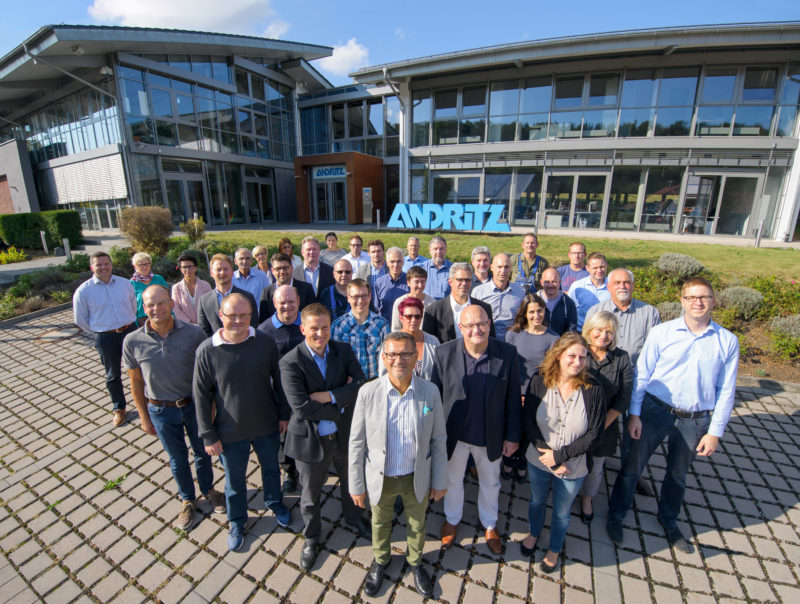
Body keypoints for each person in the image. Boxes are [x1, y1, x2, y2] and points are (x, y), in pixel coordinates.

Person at [607, 278, 739, 554]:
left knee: (677, 475)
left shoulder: (727, 341)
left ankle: (668, 520)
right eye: (691, 298)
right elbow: (642, 375)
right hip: (655, 410)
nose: (697, 303)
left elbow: (726, 390)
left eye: (703, 297)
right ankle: (616, 514)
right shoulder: (663, 333)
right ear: (682, 301)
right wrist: (634, 414)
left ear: (713, 300)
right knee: (632, 467)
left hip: (695, 418)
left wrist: (715, 432)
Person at [349, 332, 447, 598]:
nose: (398, 360)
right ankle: (381, 560)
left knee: (417, 523)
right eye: (392, 354)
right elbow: (356, 443)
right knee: (380, 523)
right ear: (383, 357)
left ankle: (415, 561)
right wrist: (356, 485)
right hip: (382, 477)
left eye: (405, 354)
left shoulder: (430, 392)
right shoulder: (368, 393)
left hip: (417, 475)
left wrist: (440, 481)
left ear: (416, 357)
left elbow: (438, 439)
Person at [193, 294, 292, 551]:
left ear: (252, 315)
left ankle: (274, 501)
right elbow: (201, 395)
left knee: (271, 469)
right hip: (229, 429)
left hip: (266, 423)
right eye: (232, 315)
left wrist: (284, 414)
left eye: (244, 315)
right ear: (220, 316)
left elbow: (278, 380)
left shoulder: (265, 342)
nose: (238, 320)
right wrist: (208, 435)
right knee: (234, 480)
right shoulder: (207, 349)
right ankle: (237, 519)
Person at [123, 285, 225, 530]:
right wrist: (144, 417)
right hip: (161, 410)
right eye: (150, 305)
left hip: (193, 406)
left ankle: (208, 490)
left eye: (161, 303)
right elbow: (135, 381)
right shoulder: (132, 341)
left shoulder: (194, 334)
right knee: (177, 459)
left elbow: (208, 374)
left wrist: (210, 407)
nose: (156, 309)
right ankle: (187, 499)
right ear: (144, 308)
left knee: (202, 452)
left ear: (171, 303)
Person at [280, 304, 368, 571]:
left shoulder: (344, 350)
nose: (320, 333)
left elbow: (361, 383)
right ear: (303, 329)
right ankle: (312, 535)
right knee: (310, 493)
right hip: (310, 439)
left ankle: (353, 517)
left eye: (325, 327)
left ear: (331, 326)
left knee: (350, 479)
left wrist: (327, 396)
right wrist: (342, 395)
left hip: (343, 433)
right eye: (314, 328)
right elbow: (301, 407)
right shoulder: (290, 362)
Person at [431, 305, 521, 555]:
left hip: (490, 434)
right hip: (454, 435)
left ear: (489, 324)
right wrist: (430, 431)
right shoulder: (443, 353)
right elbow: (432, 396)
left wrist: (512, 436)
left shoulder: (508, 354)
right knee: (452, 480)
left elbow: (514, 399)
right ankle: (452, 519)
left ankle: (490, 524)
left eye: (481, 324)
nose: (476, 330)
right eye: (469, 325)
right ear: (461, 328)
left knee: (491, 482)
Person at [519, 332, 605, 572]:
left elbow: (595, 434)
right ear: (558, 356)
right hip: (539, 458)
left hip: (573, 465)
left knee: (562, 512)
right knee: (536, 501)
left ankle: (554, 548)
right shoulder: (540, 379)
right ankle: (534, 533)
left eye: (583, 357)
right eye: (572, 356)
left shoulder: (593, 388)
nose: (577, 362)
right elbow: (528, 421)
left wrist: (559, 457)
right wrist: (547, 454)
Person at [578, 311, 633, 524]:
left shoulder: (621, 358)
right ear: (589, 331)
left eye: (609, 332)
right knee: (574, 459)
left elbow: (624, 396)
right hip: (577, 422)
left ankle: (587, 498)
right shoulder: (579, 353)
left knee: (596, 466)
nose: (603, 336)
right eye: (598, 330)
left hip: (606, 424)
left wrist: (602, 425)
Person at [73, 251, 137, 426]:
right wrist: (99, 332)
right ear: (91, 267)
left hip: (130, 332)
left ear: (111, 264)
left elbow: (133, 306)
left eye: (106, 263)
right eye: (99, 265)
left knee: (140, 368)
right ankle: (119, 408)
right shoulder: (84, 291)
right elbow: (80, 320)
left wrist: (126, 323)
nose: (103, 267)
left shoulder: (124, 284)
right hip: (106, 337)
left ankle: (147, 400)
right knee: (112, 375)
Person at [503, 294, 560, 482]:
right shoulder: (513, 334)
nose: (537, 315)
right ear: (524, 314)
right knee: (513, 429)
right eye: (532, 312)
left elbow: (552, 371)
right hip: (514, 392)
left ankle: (522, 463)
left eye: (540, 310)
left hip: (538, 394)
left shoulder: (552, 338)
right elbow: (507, 365)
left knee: (530, 431)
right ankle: (509, 460)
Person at [257, 284, 306, 495]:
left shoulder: (309, 322)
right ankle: (289, 471)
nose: (287, 306)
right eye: (282, 302)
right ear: (274, 304)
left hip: (308, 390)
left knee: (307, 432)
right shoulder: (264, 331)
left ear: (299, 302)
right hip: (280, 393)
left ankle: (307, 467)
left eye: (291, 301)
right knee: (283, 436)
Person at [585, 268, 660, 366]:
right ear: (608, 286)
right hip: (603, 373)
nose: (622, 286)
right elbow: (587, 343)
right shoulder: (595, 311)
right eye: (617, 283)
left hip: (637, 374)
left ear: (633, 286)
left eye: (627, 282)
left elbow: (656, 346)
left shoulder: (650, 313)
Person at [331, 279, 390, 381]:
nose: (360, 300)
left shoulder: (382, 324)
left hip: (375, 382)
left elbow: (388, 356)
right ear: (348, 298)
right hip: (349, 384)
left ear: (370, 296)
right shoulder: (338, 326)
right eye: (356, 297)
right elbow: (335, 358)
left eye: (364, 296)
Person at [422, 263, 495, 343]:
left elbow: (491, 340)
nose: (464, 283)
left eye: (467, 280)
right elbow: (429, 343)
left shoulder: (484, 308)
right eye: (460, 280)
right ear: (450, 282)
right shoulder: (433, 311)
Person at [197, 254, 258, 337]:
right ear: (211, 273)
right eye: (218, 270)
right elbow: (204, 331)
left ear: (232, 272)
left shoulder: (247, 297)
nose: (222, 272)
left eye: (226, 269)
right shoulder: (204, 301)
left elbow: (253, 325)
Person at [472, 253, 526, 341]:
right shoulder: (479, 292)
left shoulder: (520, 292)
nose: (503, 271)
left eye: (506, 267)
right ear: (492, 267)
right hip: (486, 341)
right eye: (499, 267)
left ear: (511, 268)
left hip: (512, 342)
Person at [383, 297, 440, 381]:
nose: (413, 320)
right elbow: (383, 373)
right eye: (409, 316)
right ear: (401, 318)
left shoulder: (433, 342)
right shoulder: (390, 342)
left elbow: (439, 373)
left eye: (417, 316)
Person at [259, 253, 316, 321]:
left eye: (285, 268)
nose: (282, 272)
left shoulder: (306, 289)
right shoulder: (267, 292)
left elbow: (313, 316)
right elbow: (263, 320)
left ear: (291, 268)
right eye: (278, 269)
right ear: (272, 271)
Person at [567, 252, 609, 330]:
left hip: (605, 333)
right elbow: (569, 310)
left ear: (606, 266)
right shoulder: (577, 286)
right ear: (587, 268)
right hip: (581, 333)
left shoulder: (613, 287)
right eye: (595, 268)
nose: (599, 270)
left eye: (602, 267)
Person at [171, 253, 212, 325]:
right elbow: (176, 310)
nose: (187, 270)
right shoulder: (176, 288)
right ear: (180, 269)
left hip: (206, 326)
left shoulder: (205, 285)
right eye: (184, 267)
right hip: (186, 327)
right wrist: (190, 324)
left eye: (190, 266)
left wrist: (203, 323)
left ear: (196, 268)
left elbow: (211, 306)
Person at [390, 266, 434, 331]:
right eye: (416, 282)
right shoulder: (400, 302)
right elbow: (396, 329)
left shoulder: (432, 303)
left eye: (422, 281)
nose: (420, 285)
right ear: (408, 283)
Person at [537, 267, 578, 336]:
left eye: (554, 282)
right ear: (541, 282)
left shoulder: (568, 303)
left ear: (559, 282)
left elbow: (571, 330)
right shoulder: (532, 301)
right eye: (547, 282)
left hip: (560, 344)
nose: (550, 285)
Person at [130, 252, 168, 323]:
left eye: (146, 264)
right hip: (142, 320)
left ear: (150, 264)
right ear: (135, 266)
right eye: (140, 264)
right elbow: (130, 306)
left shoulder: (159, 279)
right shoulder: (131, 284)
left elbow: (167, 299)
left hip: (161, 315)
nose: (144, 267)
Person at [374, 247, 408, 322]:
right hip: (385, 326)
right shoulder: (379, 282)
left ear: (403, 262)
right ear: (387, 263)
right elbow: (377, 307)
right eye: (392, 261)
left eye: (398, 261)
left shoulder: (410, 281)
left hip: (404, 327)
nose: (395, 265)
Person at [355, 239, 387, 307]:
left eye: (379, 251)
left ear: (383, 251)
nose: (376, 254)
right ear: (369, 253)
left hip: (387, 308)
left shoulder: (391, 269)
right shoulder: (361, 271)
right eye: (373, 252)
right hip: (368, 308)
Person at [422, 236, 452, 300]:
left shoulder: (453, 269)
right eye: (435, 249)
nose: (438, 252)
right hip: (427, 307)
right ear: (430, 250)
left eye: (441, 248)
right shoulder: (422, 268)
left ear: (446, 250)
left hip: (446, 307)